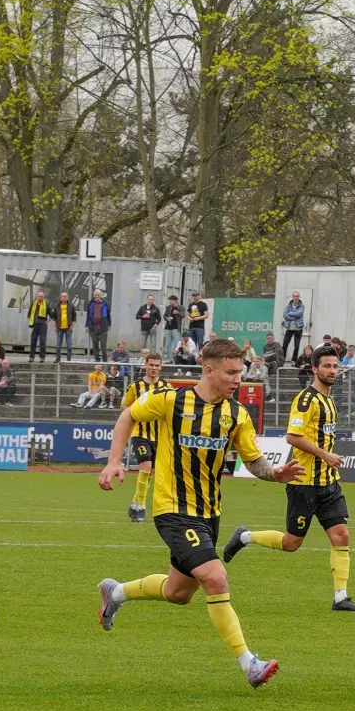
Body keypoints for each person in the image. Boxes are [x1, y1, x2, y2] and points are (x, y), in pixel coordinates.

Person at [95, 337, 301, 688]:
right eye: (232, 372)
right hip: (172, 508)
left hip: (209, 512)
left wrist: (274, 474)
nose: (239, 379)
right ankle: (249, 663)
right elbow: (128, 414)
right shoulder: (171, 400)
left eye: (242, 372)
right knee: (216, 577)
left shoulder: (236, 414)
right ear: (209, 369)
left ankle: (115, 593)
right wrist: (115, 461)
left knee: (179, 593)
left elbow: (253, 460)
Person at [224, 345, 355, 611]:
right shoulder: (306, 400)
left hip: (328, 483)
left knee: (341, 535)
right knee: (291, 543)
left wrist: (327, 461)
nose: (332, 371)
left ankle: (341, 597)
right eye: (327, 366)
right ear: (314, 368)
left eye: (335, 366)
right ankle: (245, 537)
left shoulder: (330, 400)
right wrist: (325, 455)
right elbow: (292, 436)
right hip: (303, 483)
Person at [119, 352, 175, 522]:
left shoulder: (167, 386)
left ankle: (135, 504)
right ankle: (141, 506)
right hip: (140, 434)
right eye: (151, 365)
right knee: (145, 467)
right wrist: (136, 417)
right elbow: (124, 407)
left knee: (151, 472)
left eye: (157, 365)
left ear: (161, 366)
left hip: (161, 436)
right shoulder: (135, 387)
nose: (154, 368)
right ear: (145, 365)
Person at [52, 291, 78, 362]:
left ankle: (68, 359)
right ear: (60, 297)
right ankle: (58, 358)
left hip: (68, 328)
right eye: (62, 297)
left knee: (69, 346)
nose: (64, 298)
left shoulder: (71, 305)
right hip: (59, 328)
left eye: (65, 297)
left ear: (67, 297)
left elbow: (74, 317)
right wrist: (54, 326)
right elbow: (54, 317)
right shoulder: (56, 306)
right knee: (58, 345)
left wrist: (72, 326)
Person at [86, 289, 112, 361]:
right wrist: (87, 325)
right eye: (95, 295)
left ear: (101, 295)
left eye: (98, 295)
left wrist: (109, 324)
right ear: (93, 295)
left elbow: (108, 315)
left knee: (103, 344)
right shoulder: (90, 303)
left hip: (103, 326)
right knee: (95, 343)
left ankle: (105, 360)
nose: (97, 296)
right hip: (93, 326)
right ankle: (97, 359)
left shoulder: (105, 303)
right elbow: (88, 315)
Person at [281, 290, 305, 361]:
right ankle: (282, 360)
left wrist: (290, 313)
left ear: (299, 297)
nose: (296, 298)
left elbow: (299, 314)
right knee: (285, 345)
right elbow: (285, 315)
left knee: (296, 346)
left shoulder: (301, 306)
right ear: (292, 297)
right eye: (295, 296)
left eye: (297, 296)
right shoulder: (288, 306)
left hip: (298, 328)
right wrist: (294, 316)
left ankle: (294, 361)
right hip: (289, 328)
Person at [27, 291, 50, 361]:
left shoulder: (46, 304)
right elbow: (29, 314)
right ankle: (31, 357)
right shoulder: (33, 304)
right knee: (33, 341)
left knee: (42, 341)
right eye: (39, 296)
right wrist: (30, 321)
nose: (40, 297)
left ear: (44, 297)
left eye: (41, 296)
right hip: (35, 325)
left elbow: (52, 315)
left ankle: (42, 357)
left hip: (43, 325)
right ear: (37, 296)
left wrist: (47, 321)